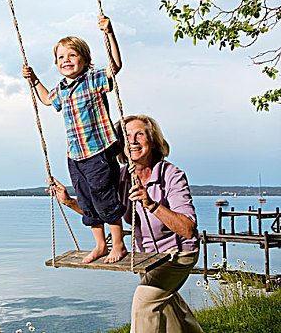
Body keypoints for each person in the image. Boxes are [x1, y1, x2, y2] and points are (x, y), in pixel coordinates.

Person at [47, 114, 204, 333]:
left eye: (139, 134)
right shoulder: (120, 176)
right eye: (127, 136)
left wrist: (151, 204)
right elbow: (108, 213)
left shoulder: (172, 175)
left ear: (152, 140)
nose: (133, 141)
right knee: (169, 309)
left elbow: (187, 229)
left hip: (177, 254)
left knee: (145, 299)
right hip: (146, 257)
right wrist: (69, 202)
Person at [22, 15, 126, 264]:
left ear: (85, 59)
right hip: (75, 155)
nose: (66, 60)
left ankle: (118, 244)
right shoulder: (62, 89)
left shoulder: (93, 79)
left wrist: (109, 33)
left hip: (98, 151)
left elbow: (116, 66)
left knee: (104, 196)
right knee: (86, 199)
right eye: (61, 57)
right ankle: (100, 245)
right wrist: (34, 80)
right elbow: (47, 100)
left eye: (72, 55)